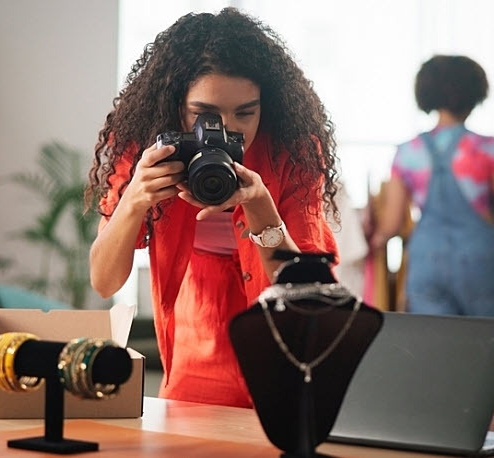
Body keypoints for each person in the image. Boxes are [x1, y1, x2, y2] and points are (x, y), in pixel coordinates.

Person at [85, 8, 339, 408]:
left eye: (245, 112)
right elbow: (104, 281)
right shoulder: (146, 146)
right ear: (175, 104)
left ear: (264, 106)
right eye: (205, 115)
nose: (226, 130)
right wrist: (134, 199)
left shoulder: (292, 149)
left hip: (283, 356)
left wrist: (261, 208)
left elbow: (305, 297)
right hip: (193, 355)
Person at [369, 55, 494, 318]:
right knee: (490, 351)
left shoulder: (408, 152)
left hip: (426, 262)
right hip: (482, 262)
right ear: (475, 96)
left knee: (437, 351)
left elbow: (390, 226)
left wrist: (372, 242)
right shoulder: (487, 149)